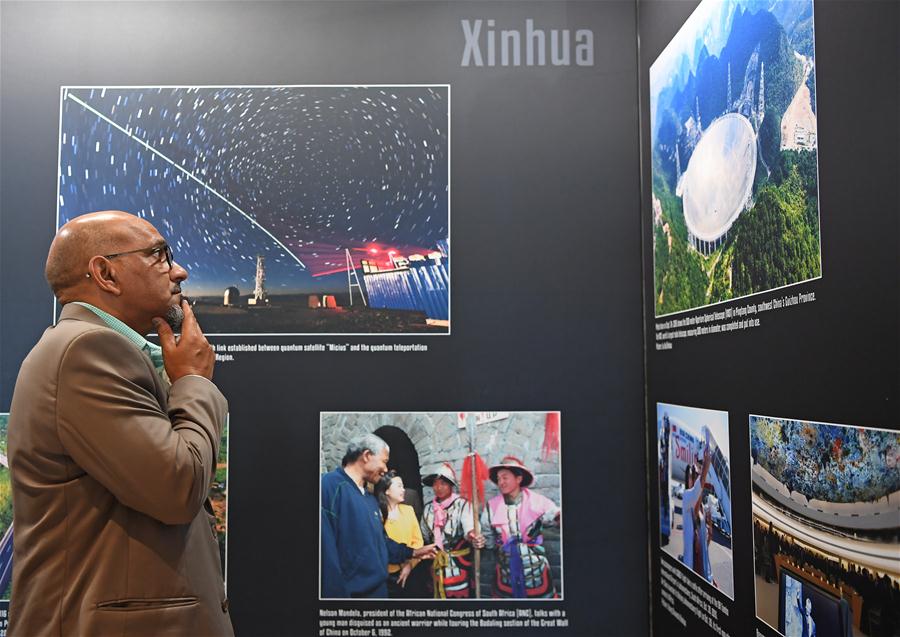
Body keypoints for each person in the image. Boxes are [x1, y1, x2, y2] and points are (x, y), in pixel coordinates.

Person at [8, 210, 233, 636]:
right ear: (106, 274)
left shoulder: (94, 349)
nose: (180, 271)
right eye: (160, 255)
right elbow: (177, 487)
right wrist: (192, 382)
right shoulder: (86, 351)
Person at [321, 434, 436, 598]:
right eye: (384, 461)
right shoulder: (329, 487)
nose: (386, 469)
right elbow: (325, 559)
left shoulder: (369, 500)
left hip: (379, 592)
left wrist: (413, 552)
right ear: (367, 456)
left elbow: (381, 543)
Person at [483, 456, 560, 598]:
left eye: (505, 478)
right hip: (506, 572)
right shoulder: (491, 506)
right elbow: (487, 537)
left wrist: (559, 517)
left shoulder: (537, 501)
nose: (501, 482)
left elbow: (554, 515)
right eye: (499, 479)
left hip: (535, 571)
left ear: (518, 479)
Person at [420, 462, 483, 598]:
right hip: (436, 563)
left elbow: (469, 528)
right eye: (435, 484)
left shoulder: (463, 505)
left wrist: (472, 535)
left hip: (459, 564)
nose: (438, 487)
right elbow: (425, 535)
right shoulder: (428, 509)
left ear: (451, 486)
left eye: (443, 483)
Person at [374, 471, 425, 598]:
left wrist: (409, 565)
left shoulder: (408, 510)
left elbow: (418, 541)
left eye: (403, 486)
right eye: (399, 486)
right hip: (385, 577)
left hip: (411, 571)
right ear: (386, 491)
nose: (403, 490)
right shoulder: (376, 515)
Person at [681, 433, 711, 574]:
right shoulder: (687, 497)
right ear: (688, 480)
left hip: (703, 572)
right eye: (693, 473)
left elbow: (705, 546)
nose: (697, 476)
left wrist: (708, 536)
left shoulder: (702, 510)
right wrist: (705, 464)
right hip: (691, 570)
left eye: (697, 473)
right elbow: (697, 490)